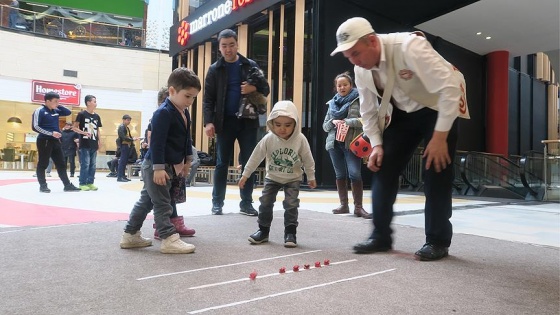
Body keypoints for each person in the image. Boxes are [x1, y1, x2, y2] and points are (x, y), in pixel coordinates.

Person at [331, 17, 469, 261]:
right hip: (404, 113)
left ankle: (437, 241)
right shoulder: (360, 68)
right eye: (348, 57)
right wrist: (376, 144)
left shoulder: (409, 47)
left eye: (356, 53)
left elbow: (449, 88)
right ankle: (380, 236)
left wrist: (439, 137)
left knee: (436, 170)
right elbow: (368, 109)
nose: (354, 61)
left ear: (372, 41)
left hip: (439, 106)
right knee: (383, 167)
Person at [120, 67, 201, 254]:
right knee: (163, 203)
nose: (190, 101)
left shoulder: (183, 111)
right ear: (172, 91)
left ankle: (130, 234)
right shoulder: (163, 113)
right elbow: (156, 143)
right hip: (156, 166)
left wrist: (188, 160)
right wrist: (158, 168)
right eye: (187, 96)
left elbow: (186, 138)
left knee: (146, 201)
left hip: (168, 166)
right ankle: (168, 237)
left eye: (193, 97)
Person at [203, 28, 270, 216]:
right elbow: (208, 99)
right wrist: (208, 122)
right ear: (219, 47)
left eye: (231, 45)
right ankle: (217, 203)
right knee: (221, 163)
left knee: (249, 162)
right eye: (224, 46)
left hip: (248, 121)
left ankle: (246, 203)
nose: (228, 49)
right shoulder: (215, 69)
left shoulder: (250, 65)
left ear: (237, 44)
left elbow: (266, 88)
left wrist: (252, 87)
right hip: (224, 122)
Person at [240, 101, 316, 248]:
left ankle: (290, 233)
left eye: (288, 125)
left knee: (291, 205)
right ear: (272, 124)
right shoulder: (268, 138)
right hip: (272, 178)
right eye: (278, 124)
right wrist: (246, 174)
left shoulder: (300, 139)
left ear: (295, 124)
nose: (282, 129)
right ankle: (263, 231)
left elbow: (308, 159)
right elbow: (256, 156)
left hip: (293, 178)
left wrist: (311, 176)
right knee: (265, 202)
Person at [323, 72, 372, 219]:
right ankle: (344, 205)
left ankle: (358, 207)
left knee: (355, 173)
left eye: (345, 84)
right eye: (339, 85)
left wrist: (347, 122)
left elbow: (365, 120)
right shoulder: (332, 103)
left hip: (352, 143)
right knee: (340, 174)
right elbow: (324, 126)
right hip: (334, 143)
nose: (342, 87)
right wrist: (333, 122)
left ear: (351, 85)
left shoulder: (359, 100)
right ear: (335, 87)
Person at [31, 92, 81, 193]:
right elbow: (35, 127)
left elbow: (68, 112)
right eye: (55, 101)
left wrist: (58, 104)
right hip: (44, 140)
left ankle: (67, 185)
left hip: (55, 141)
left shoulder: (56, 110)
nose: (57, 103)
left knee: (61, 163)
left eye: (58, 101)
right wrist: (50, 133)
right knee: (43, 163)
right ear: (47, 101)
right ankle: (43, 186)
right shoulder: (39, 110)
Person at [74, 95, 102, 191]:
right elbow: (74, 128)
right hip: (84, 143)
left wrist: (100, 141)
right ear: (88, 102)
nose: (96, 103)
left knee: (93, 165)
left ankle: (90, 182)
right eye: (94, 101)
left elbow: (97, 129)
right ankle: (82, 183)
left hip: (94, 143)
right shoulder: (81, 114)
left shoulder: (97, 116)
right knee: (85, 164)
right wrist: (83, 132)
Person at [116, 114, 138, 182]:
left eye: (129, 120)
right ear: (123, 120)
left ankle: (123, 176)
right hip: (124, 145)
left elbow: (129, 136)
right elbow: (123, 137)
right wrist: (132, 139)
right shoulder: (121, 127)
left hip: (127, 145)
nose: (129, 122)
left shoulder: (126, 127)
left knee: (124, 161)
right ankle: (120, 177)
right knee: (122, 161)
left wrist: (132, 139)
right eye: (128, 120)